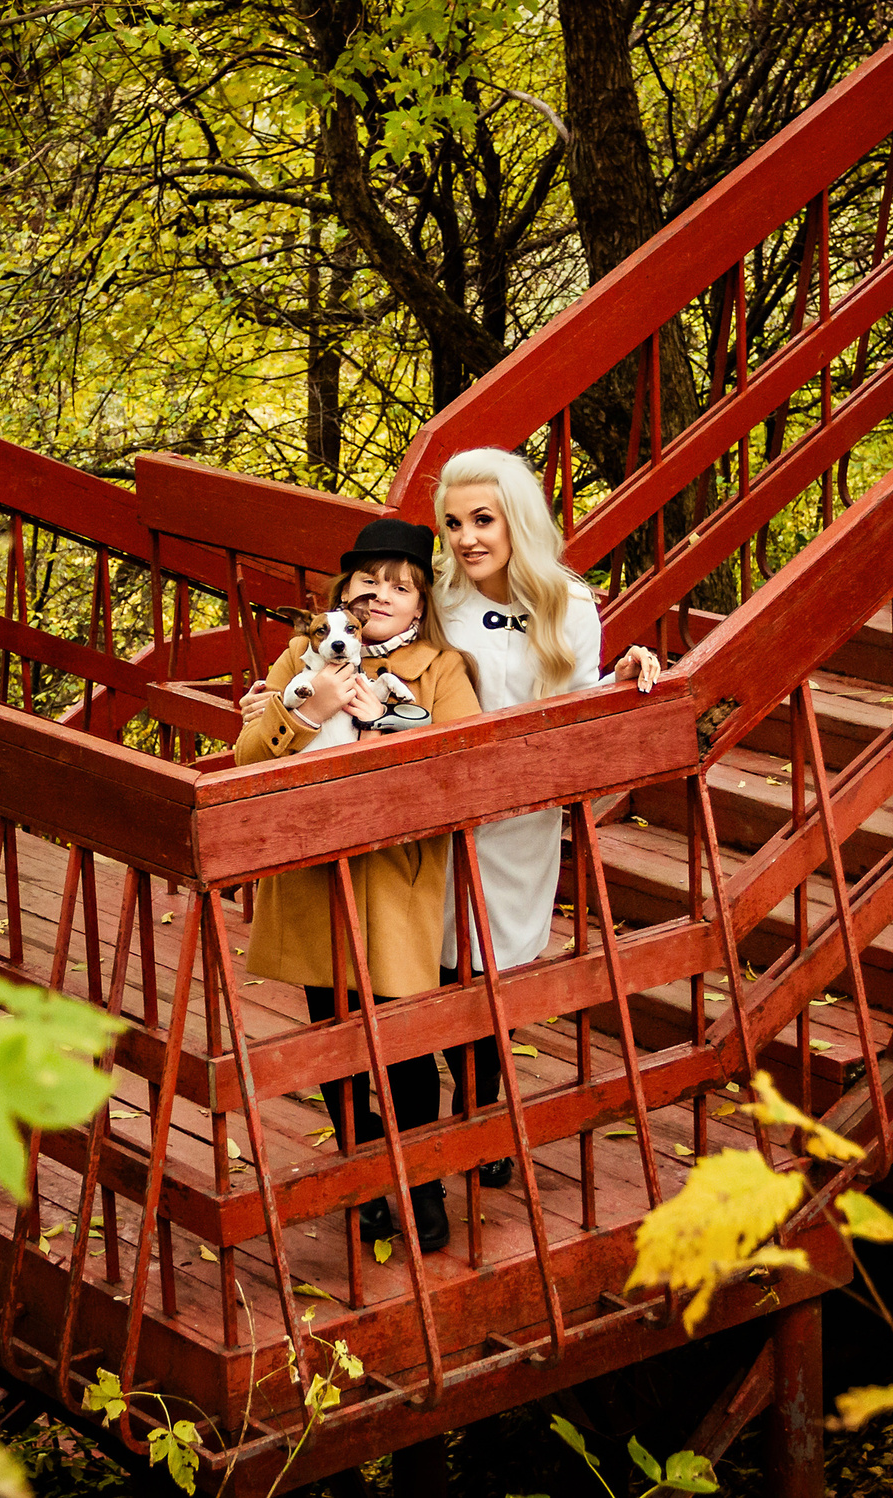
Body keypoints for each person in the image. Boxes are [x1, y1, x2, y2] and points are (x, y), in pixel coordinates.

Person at [237, 518, 481, 1252]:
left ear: (419, 606)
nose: (382, 594)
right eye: (368, 581)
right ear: (343, 592)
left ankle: (423, 1181)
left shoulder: (440, 668)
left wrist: (385, 723)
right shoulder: (300, 655)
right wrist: (304, 706)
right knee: (333, 1039)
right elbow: (248, 756)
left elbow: (462, 761)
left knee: (402, 1040)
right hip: (313, 873)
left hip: (393, 875)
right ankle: (369, 1173)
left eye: (401, 587)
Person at [432, 447, 662, 1186]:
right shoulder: (437, 599)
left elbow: (577, 704)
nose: (467, 537)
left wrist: (620, 680)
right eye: (454, 522)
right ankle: (466, 1121)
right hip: (438, 810)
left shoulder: (569, 603)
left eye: (483, 520)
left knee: (492, 969)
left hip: (520, 820)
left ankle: (484, 1118)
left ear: (516, 521)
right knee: (440, 968)